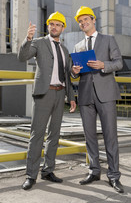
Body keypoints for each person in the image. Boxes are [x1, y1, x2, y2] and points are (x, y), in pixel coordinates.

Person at [18, 11, 76, 190]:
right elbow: (22, 57)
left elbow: (67, 75)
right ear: (48, 26)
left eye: (58, 25)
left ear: (63, 28)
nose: (54, 27)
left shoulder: (65, 50)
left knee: (54, 135)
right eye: (52, 24)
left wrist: (72, 98)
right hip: (44, 94)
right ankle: (31, 174)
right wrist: (27, 38)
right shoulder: (39, 43)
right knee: (37, 135)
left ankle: (48, 170)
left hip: (60, 94)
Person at [71, 6, 124, 193]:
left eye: (86, 19)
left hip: (106, 94)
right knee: (90, 136)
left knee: (110, 136)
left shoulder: (108, 40)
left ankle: (114, 175)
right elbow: (75, 74)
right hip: (86, 95)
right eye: (80, 21)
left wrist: (103, 65)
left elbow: (119, 63)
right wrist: (74, 72)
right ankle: (94, 171)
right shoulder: (78, 47)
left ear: (94, 20)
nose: (83, 23)